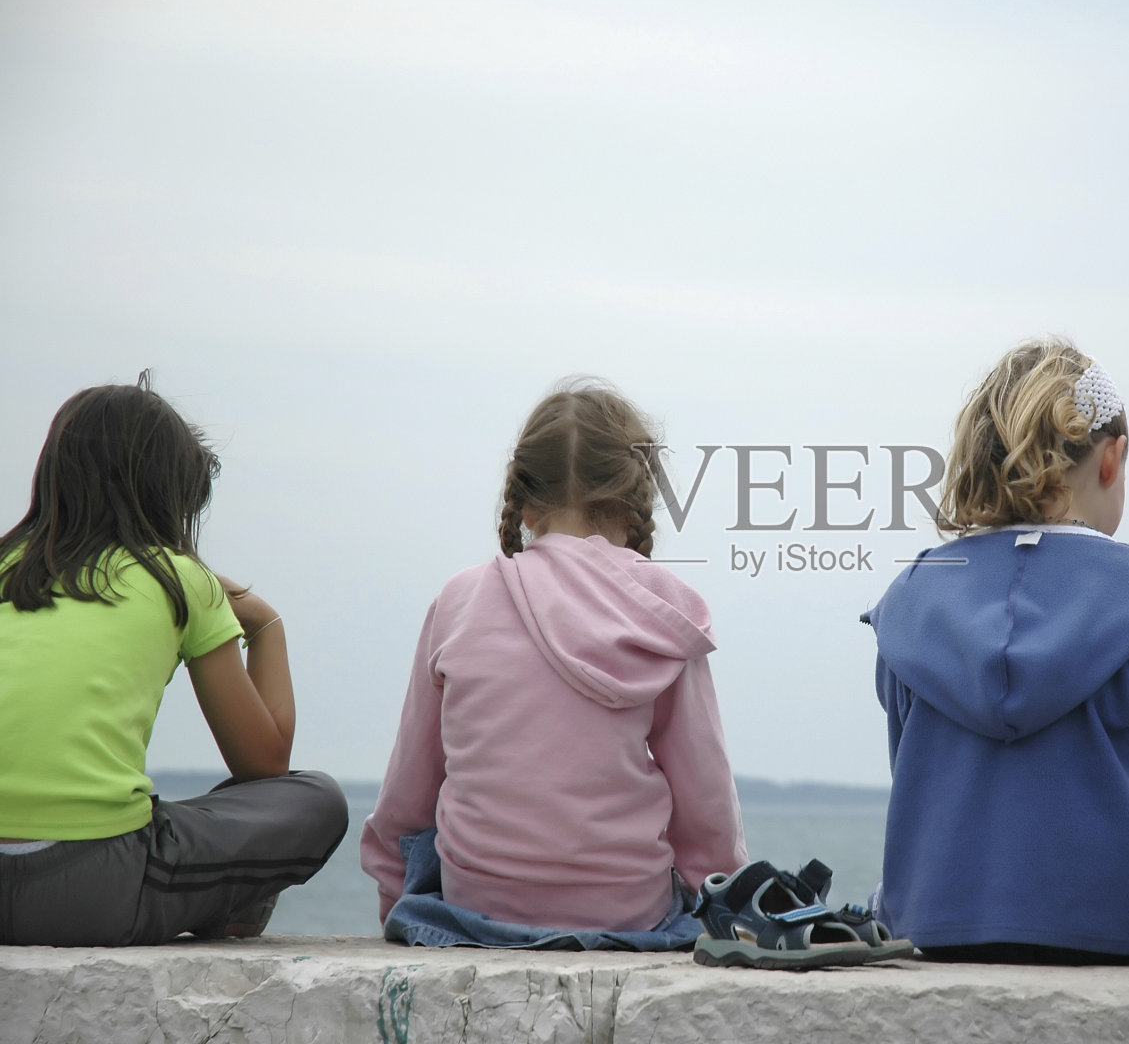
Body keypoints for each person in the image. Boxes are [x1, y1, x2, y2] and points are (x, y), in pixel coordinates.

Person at [863, 339, 1129, 964]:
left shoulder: (913, 597)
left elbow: (914, 770)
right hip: (1120, 922)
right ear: (1111, 460)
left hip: (939, 919)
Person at [360, 380, 746, 949]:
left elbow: (409, 792)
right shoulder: (661, 611)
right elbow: (705, 804)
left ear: (526, 499)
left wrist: (396, 899)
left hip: (476, 906)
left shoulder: (460, 601)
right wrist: (725, 902)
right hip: (626, 913)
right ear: (633, 496)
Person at [0, 375, 348, 946]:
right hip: (94, 890)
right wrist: (264, 627)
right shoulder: (179, 580)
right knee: (317, 799)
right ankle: (222, 908)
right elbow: (264, 769)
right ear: (168, 496)